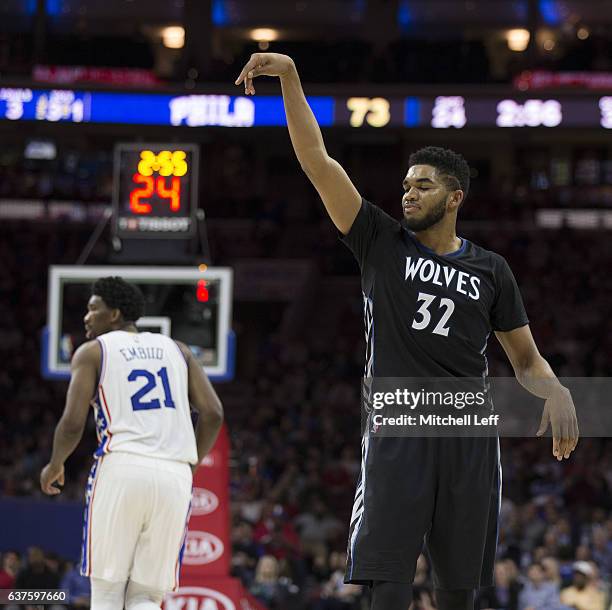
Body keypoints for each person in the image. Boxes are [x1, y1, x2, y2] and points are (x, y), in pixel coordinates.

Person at [234, 53, 579, 610]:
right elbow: (317, 161)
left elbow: (526, 360)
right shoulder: (379, 240)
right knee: (388, 584)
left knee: (458, 591)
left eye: (422, 186)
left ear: (454, 197)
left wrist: (558, 389)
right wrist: (293, 76)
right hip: (399, 426)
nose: (408, 194)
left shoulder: (492, 269)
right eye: (405, 185)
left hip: (467, 433)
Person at [40, 277, 224, 610]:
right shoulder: (179, 350)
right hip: (174, 475)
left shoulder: (93, 351)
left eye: (93, 308)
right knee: (147, 595)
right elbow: (212, 413)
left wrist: (56, 463)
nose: (86, 316)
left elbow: (71, 423)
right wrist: (190, 463)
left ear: (114, 314)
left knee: (108, 590)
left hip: (122, 465)